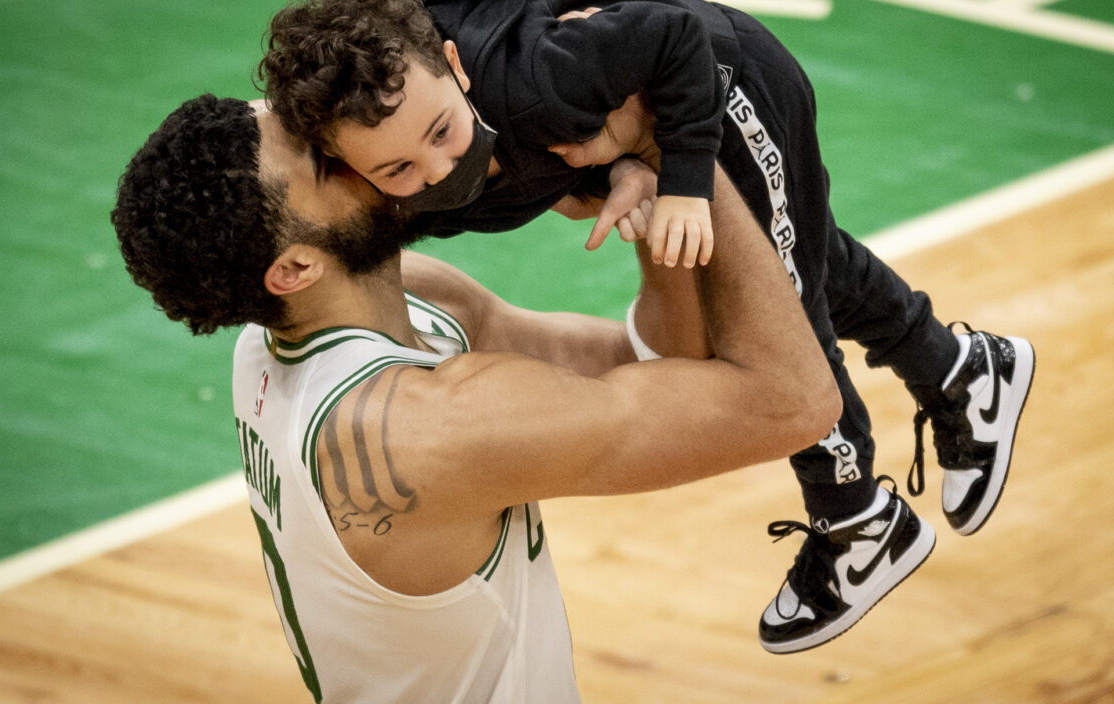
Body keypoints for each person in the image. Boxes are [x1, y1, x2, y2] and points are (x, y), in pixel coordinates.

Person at [257, 0, 1037, 654]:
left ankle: (857, 519)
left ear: (457, 68)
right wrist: (621, 170)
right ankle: (963, 370)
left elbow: (671, 39)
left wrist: (682, 178)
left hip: (720, 84)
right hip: (650, 111)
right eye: (399, 167)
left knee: (783, 299)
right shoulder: (396, 173)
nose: (440, 167)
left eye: (442, 133)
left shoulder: (537, 81)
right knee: (804, 255)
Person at [110, 94, 840, 703]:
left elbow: (662, 363)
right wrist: (678, 138)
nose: (347, 132)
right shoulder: (425, 430)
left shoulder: (352, 319)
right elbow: (793, 401)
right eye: (320, 156)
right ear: (296, 265)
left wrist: (641, 176)